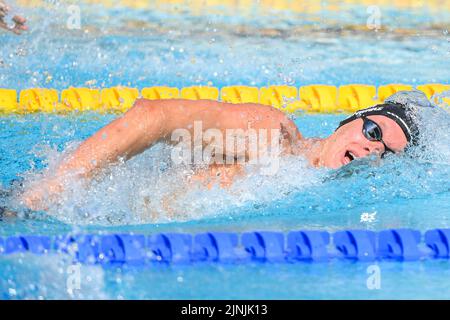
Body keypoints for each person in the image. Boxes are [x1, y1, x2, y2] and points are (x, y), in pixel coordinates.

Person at [21, 90, 424, 211]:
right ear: (347, 121)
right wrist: (51, 191)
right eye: (373, 130)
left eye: (385, 152)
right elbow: (153, 117)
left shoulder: (325, 198)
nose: (372, 149)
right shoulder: (271, 137)